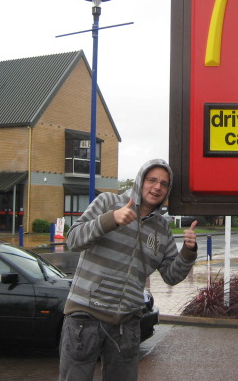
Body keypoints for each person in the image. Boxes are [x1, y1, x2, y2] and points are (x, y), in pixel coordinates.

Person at [59, 159, 198, 381]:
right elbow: (73, 240)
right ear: (140, 181)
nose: (157, 187)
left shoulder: (162, 229)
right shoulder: (107, 202)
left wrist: (188, 252)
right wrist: (110, 219)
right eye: (152, 180)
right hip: (85, 317)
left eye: (163, 184)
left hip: (126, 323)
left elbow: (172, 275)